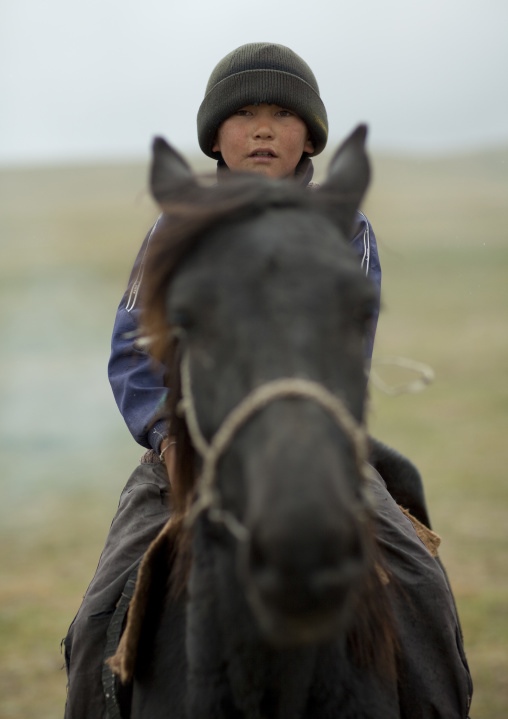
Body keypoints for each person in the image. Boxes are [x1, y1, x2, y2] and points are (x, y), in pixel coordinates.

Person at [63, 42, 447, 719]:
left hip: (313, 444)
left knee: (419, 580)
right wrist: (165, 433)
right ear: (215, 134)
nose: (263, 129)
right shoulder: (178, 229)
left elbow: (346, 351)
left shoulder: (344, 228)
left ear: (310, 135)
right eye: (244, 114)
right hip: (189, 449)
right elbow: (132, 347)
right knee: (99, 612)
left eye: (280, 113)